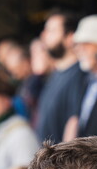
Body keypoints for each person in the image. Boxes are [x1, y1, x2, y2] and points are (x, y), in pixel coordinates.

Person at [36, 10, 85, 144]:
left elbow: (73, 121)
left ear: (70, 37)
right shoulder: (55, 74)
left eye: (51, 31)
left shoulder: (79, 74)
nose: (44, 35)